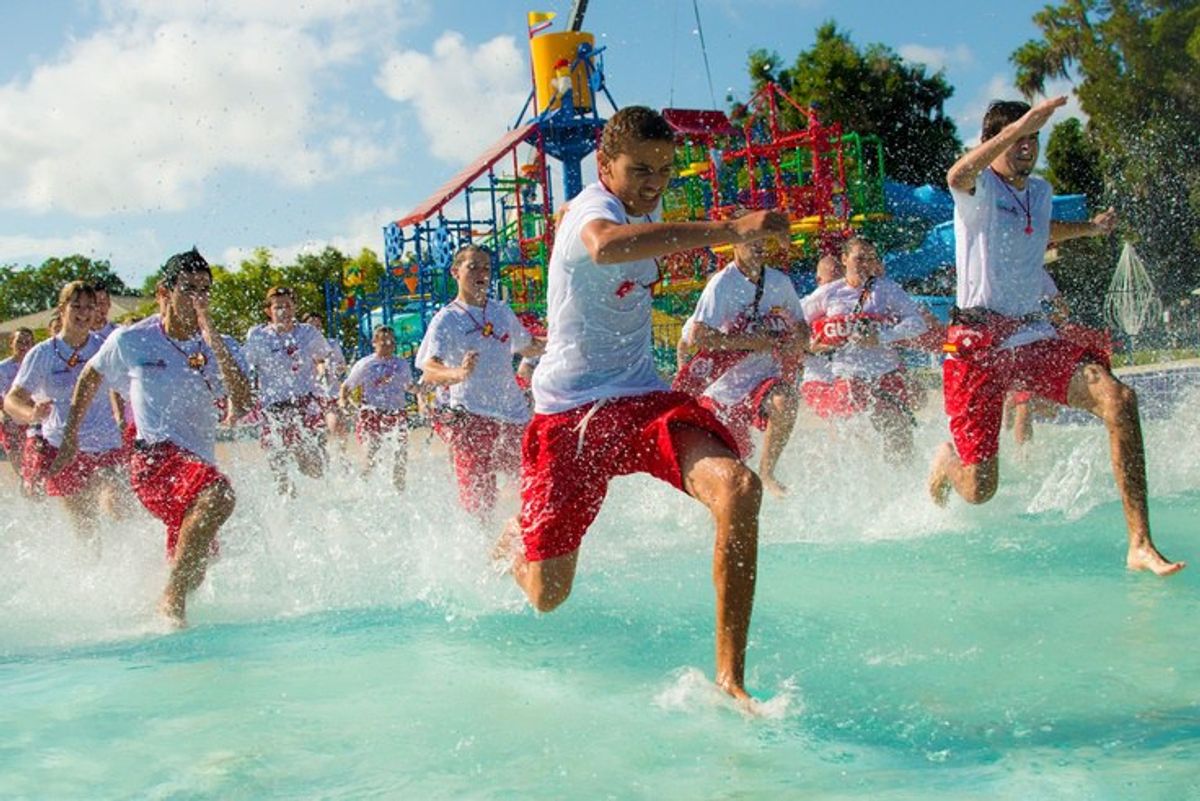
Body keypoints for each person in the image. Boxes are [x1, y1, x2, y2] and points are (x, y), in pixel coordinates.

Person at [497, 106, 790, 702]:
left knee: (739, 488)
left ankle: (730, 680)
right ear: (605, 166)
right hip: (570, 414)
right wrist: (729, 229)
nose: (653, 183)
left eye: (663, 169)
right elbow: (605, 248)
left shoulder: (643, 202)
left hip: (639, 400)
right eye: (639, 170)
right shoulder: (592, 211)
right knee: (549, 598)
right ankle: (515, 543)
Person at [927, 97, 1183, 576]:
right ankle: (947, 461)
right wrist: (1018, 124)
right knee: (981, 490)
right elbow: (954, 175)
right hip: (976, 345)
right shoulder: (978, 187)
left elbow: (1038, 231)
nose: (1027, 146)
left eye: (1033, 138)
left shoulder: (1040, 192)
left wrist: (1090, 229)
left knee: (1118, 399)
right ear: (994, 143)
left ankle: (1140, 543)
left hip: (1030, 335)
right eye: (1019, 138)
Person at [53, 248, 253, 625]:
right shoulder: (133, 340)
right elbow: (90, 376)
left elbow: (242, 402)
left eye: (205, 290)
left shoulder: (220, 344)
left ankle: (153, 609)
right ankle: (169, 604)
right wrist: (69, 438)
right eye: (189, 288)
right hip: (153, 459)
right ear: (164, 291)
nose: (198, 299)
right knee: (218, 497)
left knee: (196, 568)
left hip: (196, 466)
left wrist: (213, 340)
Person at [674, 228, 807, 496]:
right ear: (735, 245)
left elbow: (802, 325)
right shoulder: (721, 285)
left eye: (762, 241)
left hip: (762, 378)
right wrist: (750, 342)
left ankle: (768, 473)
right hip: (722, 391)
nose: (758, 246)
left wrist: (798, 341)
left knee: (785, 403)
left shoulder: (779, 282)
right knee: (734, 474)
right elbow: (696, 337)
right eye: (751, 241)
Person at [416, 244, 545, 520]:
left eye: (486, 267)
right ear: (455, 272)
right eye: (473, 267)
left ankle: (521, 544)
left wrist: (565, 340)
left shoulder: (501, 311)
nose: (481, 273)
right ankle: (484, 555)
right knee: (479, 506)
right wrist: (458, 374)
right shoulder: (446, 319)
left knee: (537, 486)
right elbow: (429, 368)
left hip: (513, 416)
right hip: (472, 419)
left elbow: (529, 347)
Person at [4, 282, 126, 547]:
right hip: (61, 450)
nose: (83, 314)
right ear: (62, 309)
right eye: (76, 306)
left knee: (116, 506)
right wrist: (31, 413)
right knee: (87, 532)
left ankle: (126, 562)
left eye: (89, 307)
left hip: (105, 445)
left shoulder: (105, 348)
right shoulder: (43, 353)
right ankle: (92, 579)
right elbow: (12, 401)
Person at [802, 238, 928, 461]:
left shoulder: (886, 289)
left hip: (885, 372)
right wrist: (813, 344)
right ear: (844, 259)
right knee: (854, 437)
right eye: (859, 258)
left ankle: (901, 482)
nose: (865, 264)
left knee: (899, 431)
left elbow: (917, 323)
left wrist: (881, 336)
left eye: (870, 258)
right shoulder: (830, 293)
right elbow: (797, 323)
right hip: (848, 376)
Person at [243, 287, 332, 495]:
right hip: (273, 405)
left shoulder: (308, 333)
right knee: (277, 458)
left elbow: (322, 359)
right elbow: (246, 367)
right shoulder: (258, 336)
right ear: (269, 311)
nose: (283, 311)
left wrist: (323, 372)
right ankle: (285, 500)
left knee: (312, 465)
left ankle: (320, 492)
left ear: (295, 308)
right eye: (278, 307)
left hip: (303, 402)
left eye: (288, 306)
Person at [341, 325, 414, 491]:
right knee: (371, 455)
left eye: (391, 343)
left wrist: (421, 395)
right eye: (384, 342)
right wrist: (343, 403)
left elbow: (409, 386)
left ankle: (400, 492)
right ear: (374, 342)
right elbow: (346, 386)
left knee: (400, 456)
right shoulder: (366, 364)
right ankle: (361, 488)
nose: (388, 346)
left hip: (396, 413)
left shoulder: (401, 363)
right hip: (371, 414)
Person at [798, 255, 844, 420]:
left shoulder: (851, 302)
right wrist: (809, 347)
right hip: (818, 379)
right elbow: (788, 339)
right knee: (837, 416)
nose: (839, 280)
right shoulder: (808, 305)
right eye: (834, 274)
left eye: (842, 273)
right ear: (819, 280)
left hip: (846, 375)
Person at [304, 312, 350, 452]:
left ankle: (342, 456)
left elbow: (342, 366)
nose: (315, 329)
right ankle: (322, 457)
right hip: (309, 396)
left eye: (318, 326)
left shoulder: (331, 344)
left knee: (337, 425)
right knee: (315, 435)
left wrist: (336, 369)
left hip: (330, 393)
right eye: (312, 326)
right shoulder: (298, 346)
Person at [0, 328, 35, 487]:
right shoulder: (3, 368)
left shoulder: (36, 365)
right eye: (20, 341)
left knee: (34, 465)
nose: (24, 345)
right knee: (20, 468)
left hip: (32, 422)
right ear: (11, 344)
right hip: (10, 422)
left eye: (28, 342)